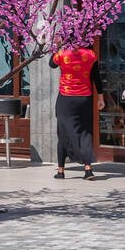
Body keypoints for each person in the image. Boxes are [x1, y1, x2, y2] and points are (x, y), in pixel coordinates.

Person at [51, 46, 99, 180]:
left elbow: (51, 64)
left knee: (62, 133)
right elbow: (96, 77)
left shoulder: (62, 54)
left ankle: (61, 171)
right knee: (85, 131)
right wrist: (100, 96)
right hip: (84, 98)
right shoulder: (90, 54)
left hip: (66, 98)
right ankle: (88, 169)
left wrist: (57, 47)